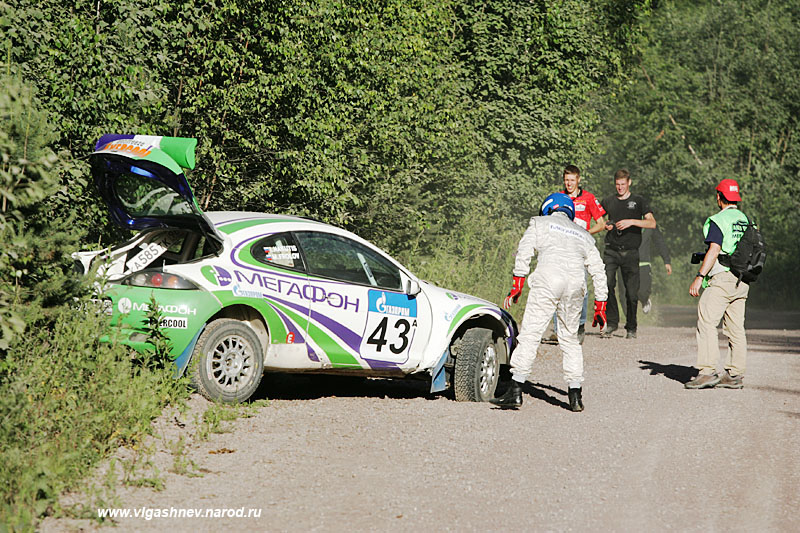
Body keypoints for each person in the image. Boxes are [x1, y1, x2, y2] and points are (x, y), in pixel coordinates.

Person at [490, 193, 608, 412]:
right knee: (570, 339)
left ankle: (515, 391)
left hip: (547, 279)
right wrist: (601, 303)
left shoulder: (539, 223)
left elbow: (524, 252)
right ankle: (575, 395)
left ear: (547, 208)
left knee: (532, 334)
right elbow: (599, 270)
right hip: (575, 284)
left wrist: (517, 284)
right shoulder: (584, 234)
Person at [685, 179, 750, 389]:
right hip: (743, 280)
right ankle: (734, 374)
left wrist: (699, 276)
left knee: (706, 320)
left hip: (722, 277)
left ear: (718, 197)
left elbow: (714, 249)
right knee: (735, 328)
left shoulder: (718, 219)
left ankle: (706, 371)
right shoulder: (746, 220)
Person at [550, 164, 606, 343]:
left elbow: (601, 223)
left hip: (580, 250)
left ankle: (580, 325)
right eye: (566, 180)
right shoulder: (559, 197)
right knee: (557, 286)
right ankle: (558, 329)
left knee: (580, 288)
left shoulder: (588, 198)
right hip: (561, 249)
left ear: (578, 180)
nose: (569, 183)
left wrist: (585, 234)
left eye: (572, 180)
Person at [600, 169, 656, 339]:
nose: (620, 188)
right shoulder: (608, 201)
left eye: (623, 184)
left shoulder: (638, 201)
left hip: (631, 252)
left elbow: (652, 223)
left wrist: (632, 222)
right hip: (611, 250)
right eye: (617, 184)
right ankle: (611, 323)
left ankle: (631, 326)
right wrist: (606, 225)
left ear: (629, 183)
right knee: (607, 285)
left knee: (631, 293)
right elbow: (599, 220)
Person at [616, 227, 672, 314]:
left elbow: (659, 241)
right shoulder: (622, 220)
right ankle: (630, 320)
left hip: (643, 262)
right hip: (624, 262)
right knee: (624, 294)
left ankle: (645, 300)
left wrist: (666, 260)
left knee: (642, 292)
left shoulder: (649, 224)